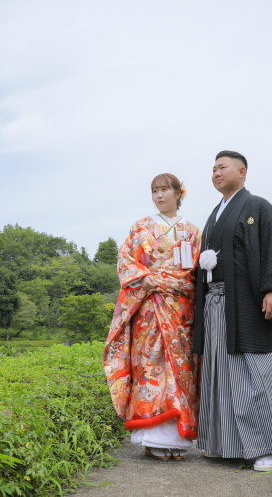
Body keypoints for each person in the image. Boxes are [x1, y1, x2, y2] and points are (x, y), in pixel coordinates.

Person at [194, 150, 272, 472]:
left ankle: (266, 448)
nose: (216, 173)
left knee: (254, 373)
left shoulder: (258, 206)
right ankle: (226, 444)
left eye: (222, 167)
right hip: (216, 305)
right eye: (213, 169)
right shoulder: (215, 214)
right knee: (221, 374)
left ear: (241, 171)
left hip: (247, 303)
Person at [104, 173, 202, 462]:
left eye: (165, 190)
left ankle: (177, 439)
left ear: (178, 194)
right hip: (150, 305)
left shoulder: (192, 232)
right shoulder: (142, 228)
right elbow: (125, 258)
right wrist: (143, 277)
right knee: (152, 366)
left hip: (181, 308)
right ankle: (151, 437)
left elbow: (197, 271)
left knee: (180, 370)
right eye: (155, 191)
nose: (159, 196)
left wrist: (183, 282)